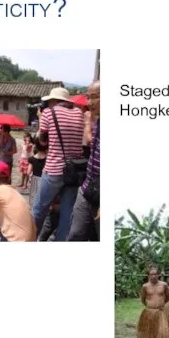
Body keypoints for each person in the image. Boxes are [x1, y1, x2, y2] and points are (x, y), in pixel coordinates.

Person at [32, 87, 85, 242]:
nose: (48, 105)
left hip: (54, 169)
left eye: (49, 102)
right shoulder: (79, 113)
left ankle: (29, 238)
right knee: (67, 214)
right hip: (74, 172)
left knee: (39, 208)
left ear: (54, 101)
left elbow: (42, 142)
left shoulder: (49, 113)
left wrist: (41, 119)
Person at [67, 81, 100, 241]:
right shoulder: (100, 121)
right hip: (87, 188)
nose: (89, 102)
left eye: (95, 97)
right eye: (89, 97)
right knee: (75, 235)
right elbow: (92, 143)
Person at [136, 267, 169, 338]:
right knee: (152, 333)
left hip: (161, 312)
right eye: (151, 274)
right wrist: (150, 306)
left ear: (158, 275)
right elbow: (143, 299)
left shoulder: (164, 285)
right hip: (150, 313)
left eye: (155, 274)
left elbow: (168, 297)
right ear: (148, 276)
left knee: (164, 334)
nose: (153, 276)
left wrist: (160, 305)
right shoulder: (145, 286)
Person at [27, 140, 47, 208]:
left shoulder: (32, 159)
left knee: (33, 196)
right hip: (44, 180)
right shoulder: (47, 159)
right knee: (42, 197)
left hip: (34, 179)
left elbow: (28, 172)